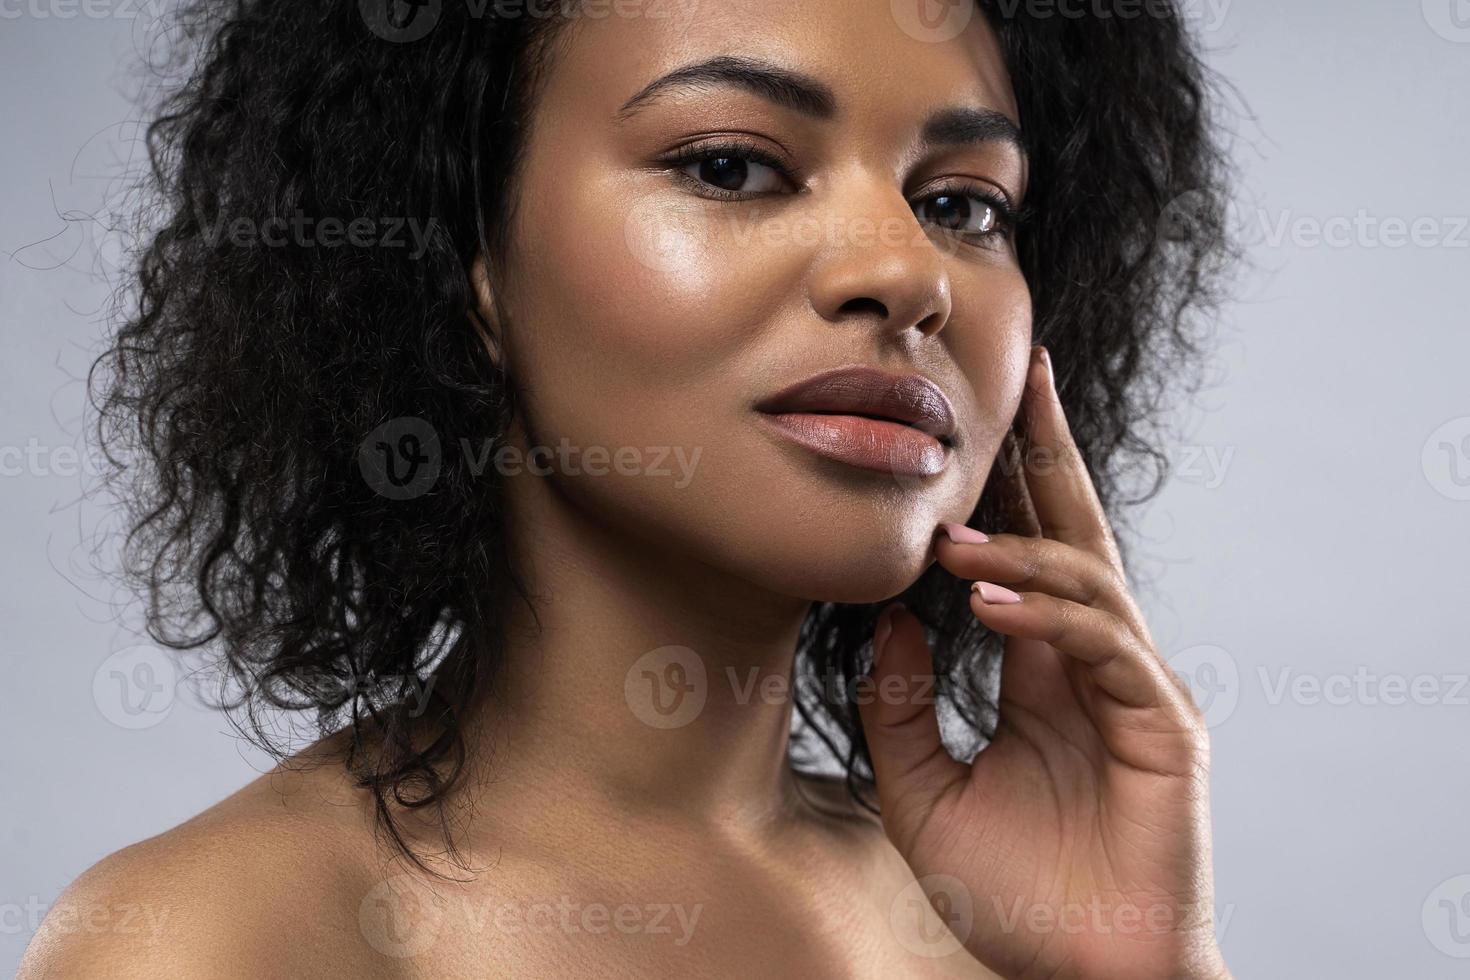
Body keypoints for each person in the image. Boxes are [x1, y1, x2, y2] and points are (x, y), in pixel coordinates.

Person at [22, 0, 1236, 975]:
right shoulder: (219, 939)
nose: (909, 271)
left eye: (964, 203)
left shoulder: (993, 920)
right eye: (731, 166)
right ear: (470, 260)